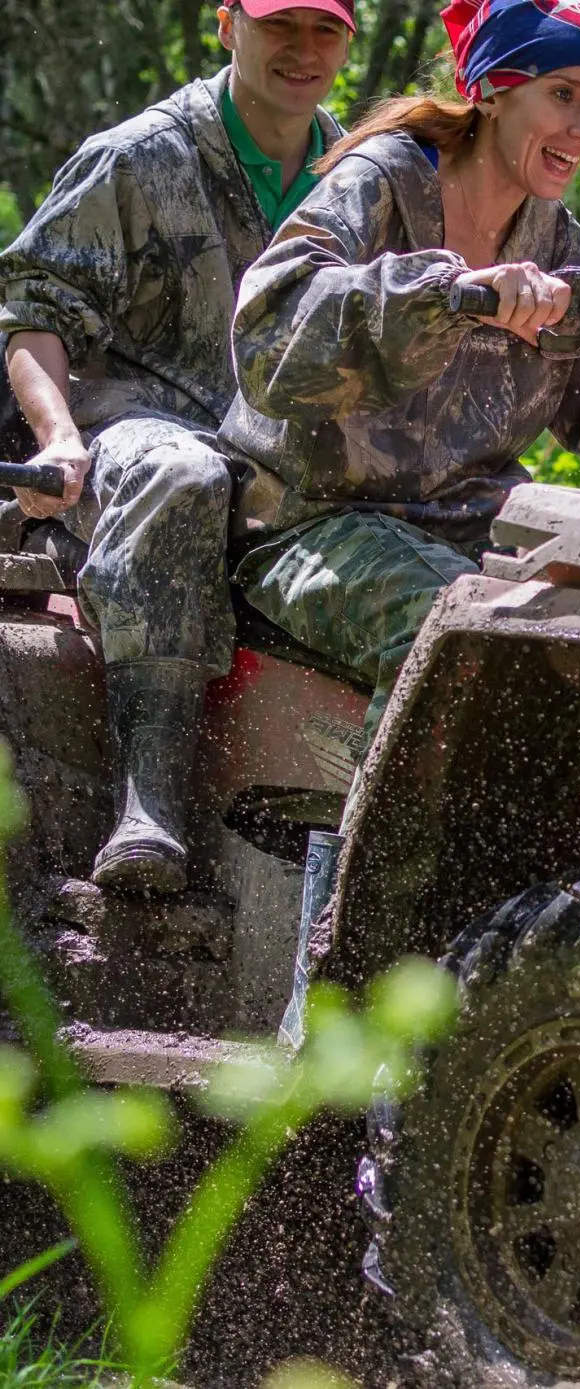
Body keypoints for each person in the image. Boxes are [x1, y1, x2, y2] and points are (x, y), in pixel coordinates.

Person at [221, 0, 580, 743]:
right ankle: (383, 860)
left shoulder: (556, 243)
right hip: (305, 523)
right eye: (562, 95)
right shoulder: (382, 180)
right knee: (457, 629)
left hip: (471, 525)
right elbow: (269, 329)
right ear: (489, 89)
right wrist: (444, 293)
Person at [1, 0, 356, 894]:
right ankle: (146, 804)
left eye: (326, 29)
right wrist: (60, 439)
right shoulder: (137, 157)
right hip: (132, 444)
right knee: (182, 472)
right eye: (281, 25)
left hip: (283, 459)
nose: (303, 50)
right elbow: (32, 315)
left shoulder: (361, 172)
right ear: (227, 25)